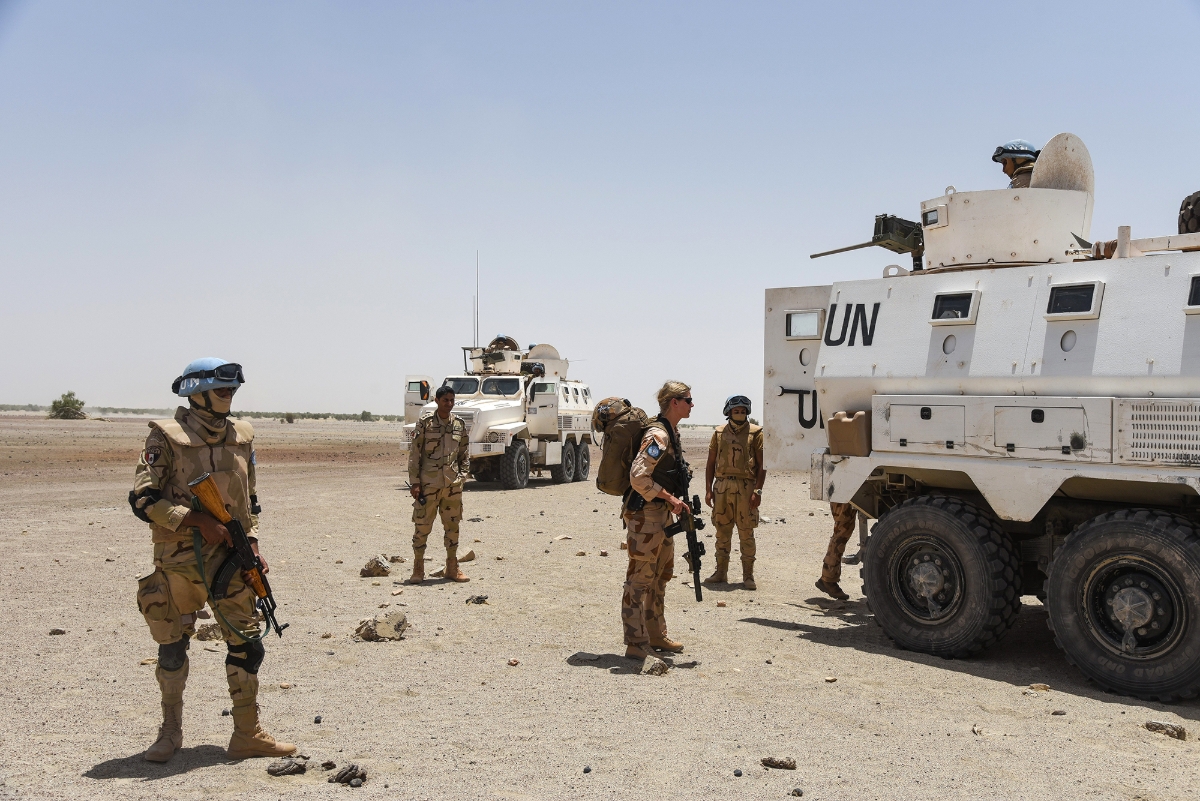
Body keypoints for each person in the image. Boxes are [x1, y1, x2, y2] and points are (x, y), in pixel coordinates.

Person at [129, 358, 294, 763]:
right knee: (172, 649)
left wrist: (251, 543)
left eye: (233, 388)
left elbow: (248, 499)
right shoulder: (165, 437)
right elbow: (143, 499)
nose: (230, 392)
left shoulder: (242, 436)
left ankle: (247, 734)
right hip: (180, 560)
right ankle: (169, 734)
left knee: (248, 645)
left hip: (233, 560)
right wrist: (195, 520)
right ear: (197, 391)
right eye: (221, 388)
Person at [622, 380, 693, 659]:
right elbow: (638, 476)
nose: (692, 404)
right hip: (646, 514)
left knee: (660, 575)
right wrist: (669, 498)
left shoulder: (672, 432)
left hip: (660, 514)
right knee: (640, 579)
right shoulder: (658, 435)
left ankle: (655, 634)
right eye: (688, 399)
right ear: (673, 402)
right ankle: (635, 643)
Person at [406, 385, 470, 583]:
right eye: (445, 400)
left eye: (452, 400)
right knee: (422, 527)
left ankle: (452, 568)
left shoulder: (459, 424)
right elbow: (414, 454)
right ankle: (418, 569)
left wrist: (463, 476)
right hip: (429, 486)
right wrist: (415, 483)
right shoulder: (425, 424)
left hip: (452, 486)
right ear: (436, 401)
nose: (449, 404)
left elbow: (464, 453)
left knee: (453, 527)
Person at [702, 395, 765, 590]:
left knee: (746, 532)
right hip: (722, 488)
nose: (740, 414)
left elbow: (763, 466)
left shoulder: (756, 433)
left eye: (743, 411)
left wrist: (758, 491)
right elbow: (711, 462)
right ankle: (721, 572)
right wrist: (708, 490)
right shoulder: (719, 433)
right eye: (736, 411)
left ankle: (748, 575)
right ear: (729, 412)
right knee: (722, 531)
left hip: (746, 488)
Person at [815, 502, 859, 600]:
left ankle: (828, 578)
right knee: (842, 531)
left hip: (845, 493)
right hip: (843, 494)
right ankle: (828, 578)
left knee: (842, 530)